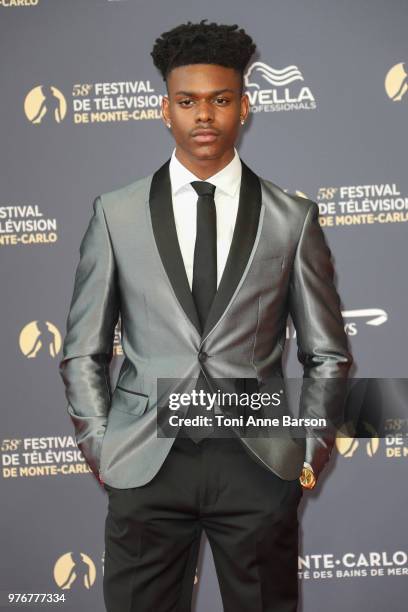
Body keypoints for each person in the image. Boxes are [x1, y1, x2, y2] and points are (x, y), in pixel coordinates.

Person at [59, 19, 353, 612]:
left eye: (220, 100)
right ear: (163, 110)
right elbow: (82, 351)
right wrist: (102, 448)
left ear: (244, 107)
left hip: (257, 461)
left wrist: (306, 455)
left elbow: (326, 354)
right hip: (145, 464)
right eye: (187, 101)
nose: (204, 117)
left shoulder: (290, 219)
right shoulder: (115, 214)